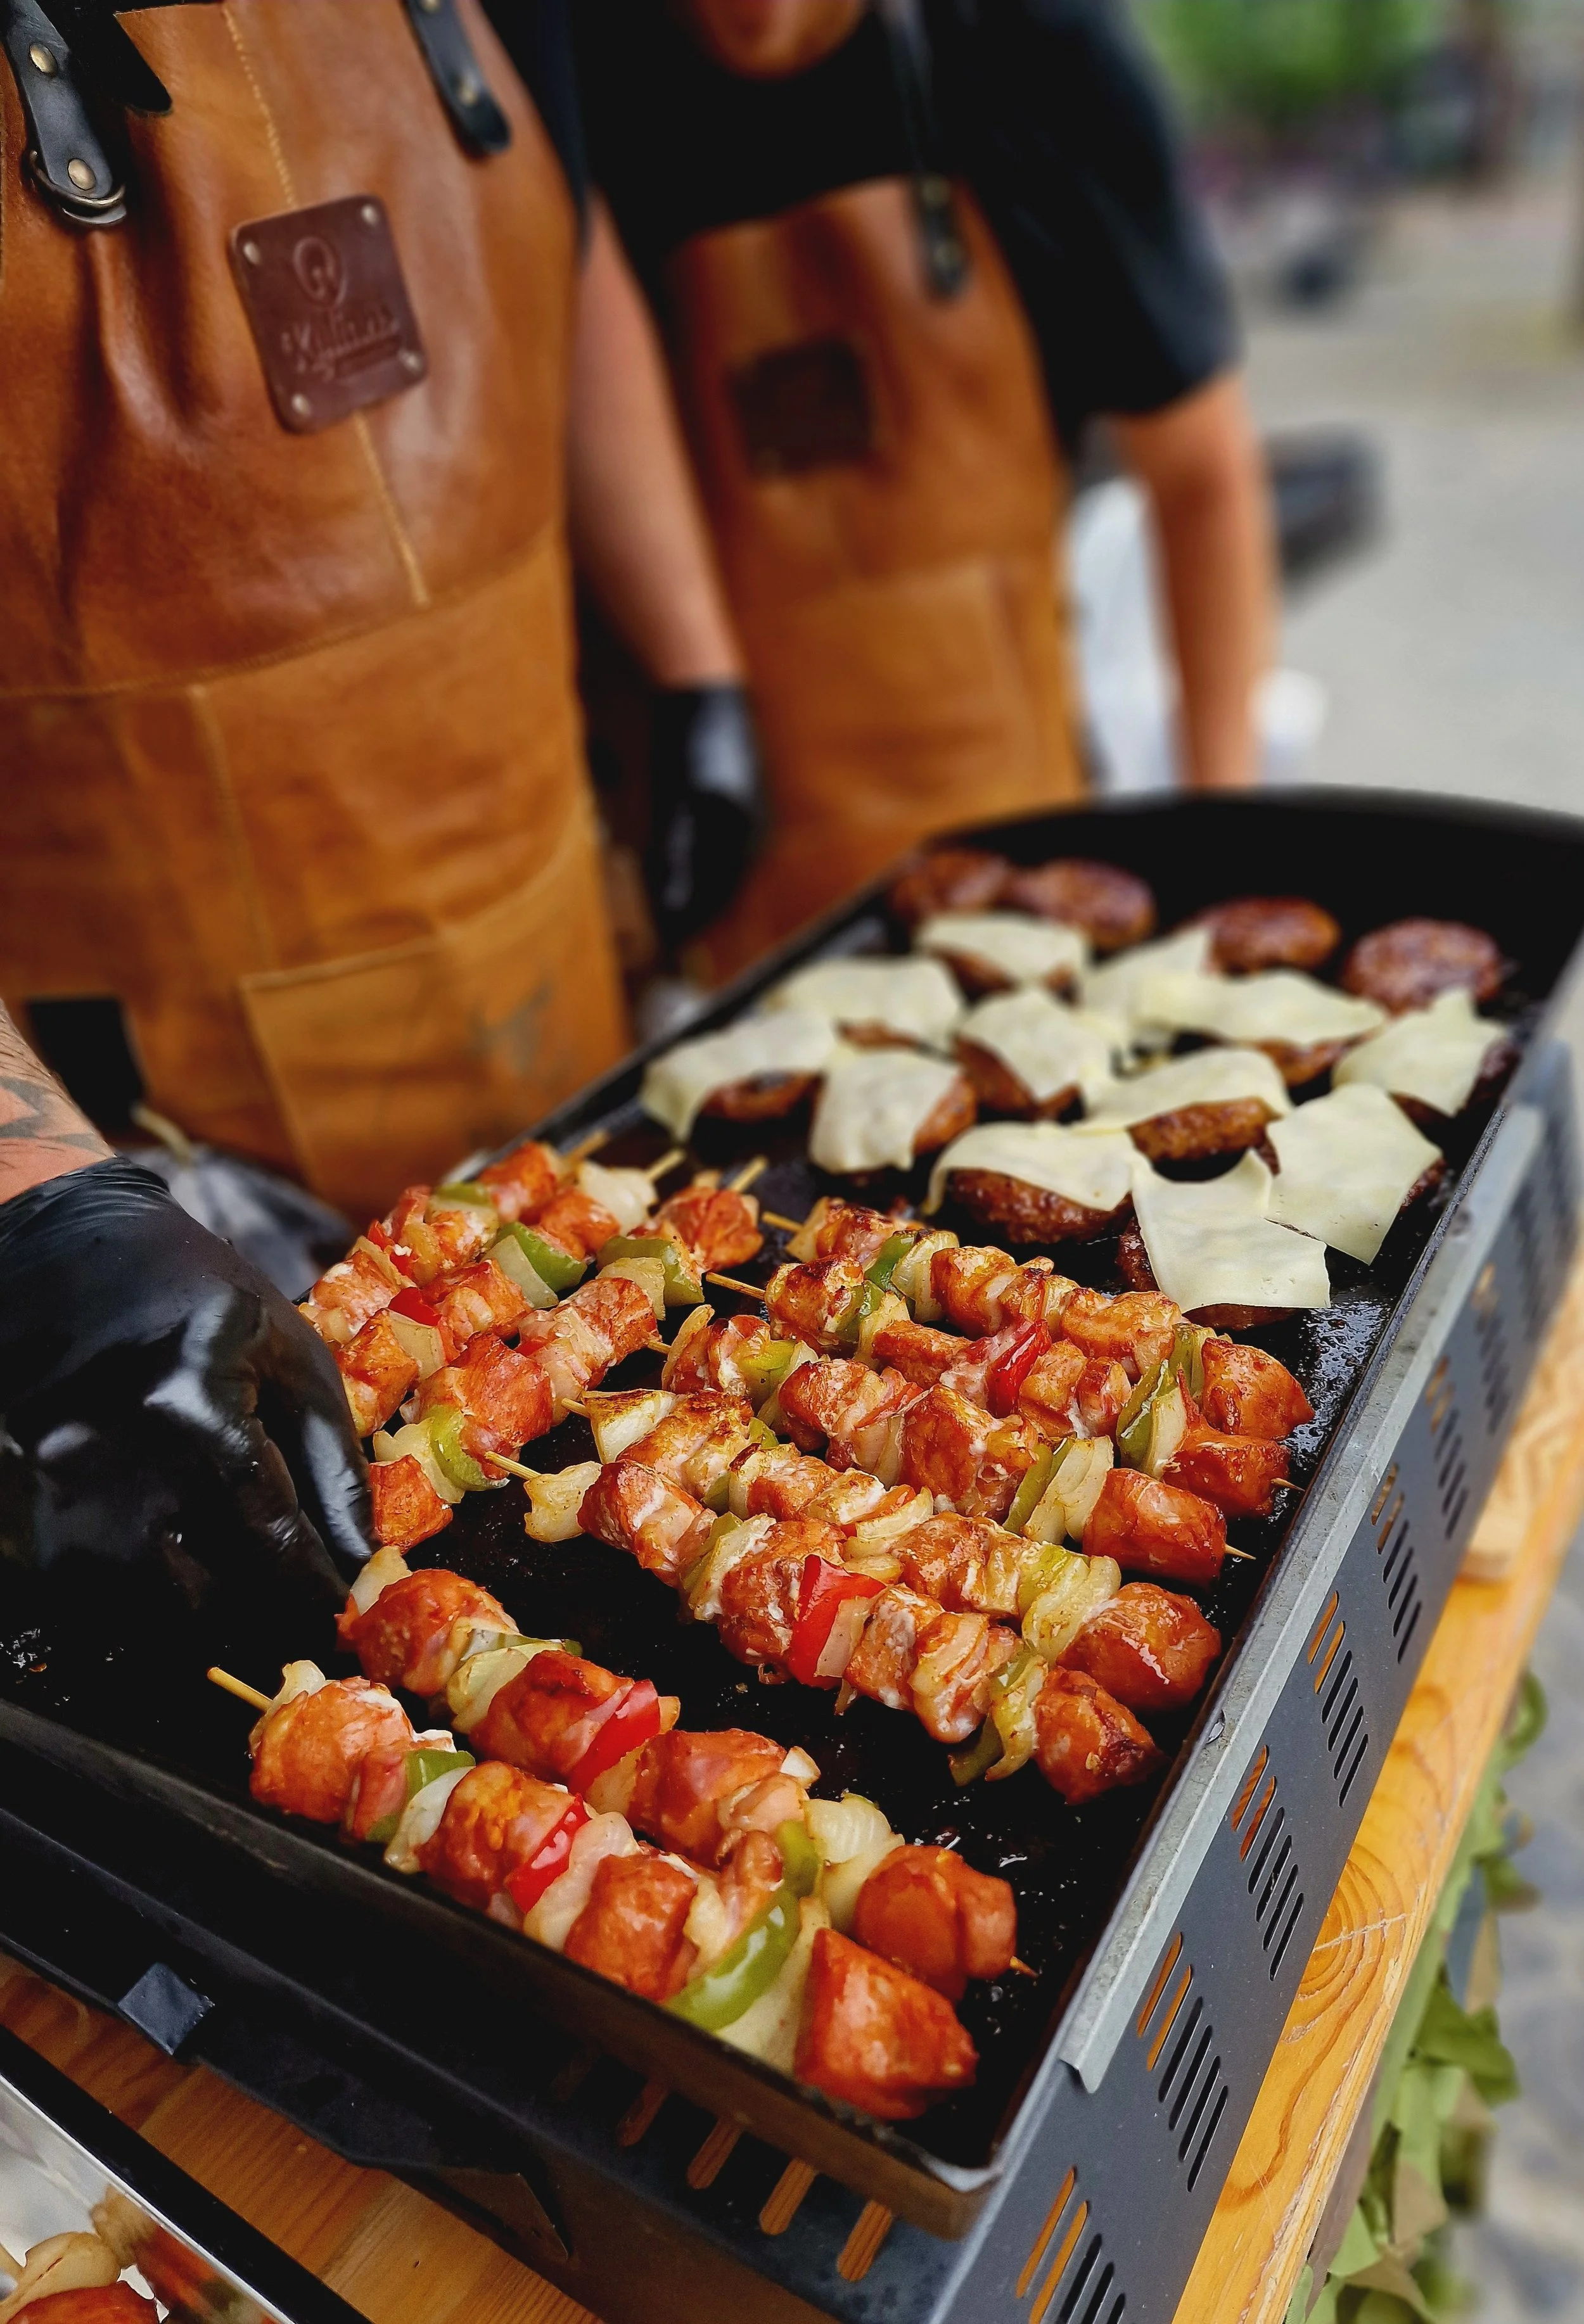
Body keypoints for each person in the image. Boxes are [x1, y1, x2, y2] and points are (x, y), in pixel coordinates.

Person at [0, 0, 756, 1637]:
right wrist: (42, 1208)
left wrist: (693, 657)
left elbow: (568, 256)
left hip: (545, 1005)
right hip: (156, 1184)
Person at [573, 0, 1277, 972]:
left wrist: (1219, 846)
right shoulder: (576, 71)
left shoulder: (1030, 47)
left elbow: (1202, 478)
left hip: (1026, 877)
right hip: (734, 917)